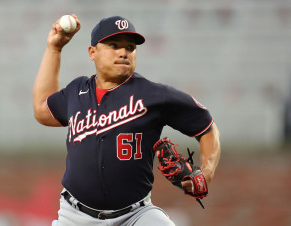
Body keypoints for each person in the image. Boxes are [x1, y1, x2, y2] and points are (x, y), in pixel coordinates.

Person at [33, 14, 221, 226]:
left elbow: (207, 127)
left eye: (130, 47)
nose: (123, 52)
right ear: (92, 52)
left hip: (136, 216)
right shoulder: (77, 91)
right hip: (75, 216)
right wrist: (54, 49)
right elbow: (42, 110)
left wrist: (207, 173)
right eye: (114, 45)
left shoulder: (153, 95)